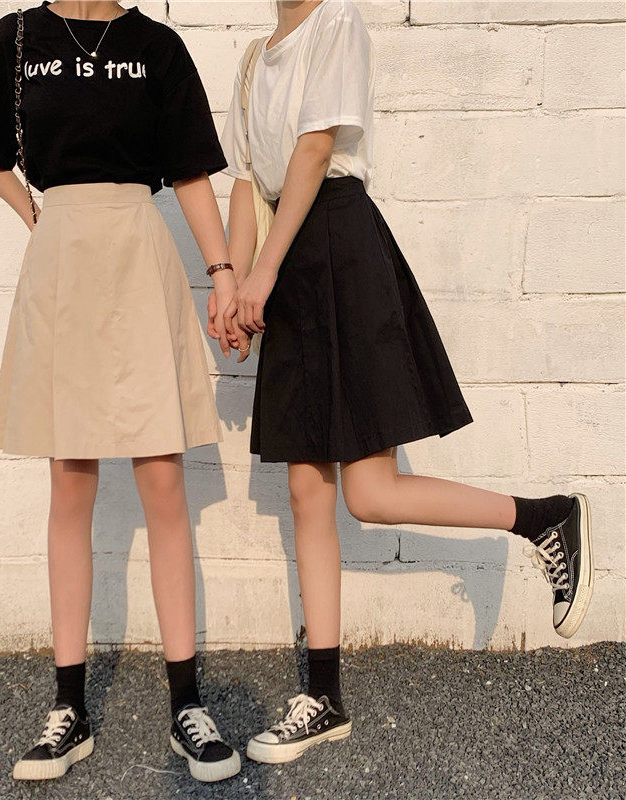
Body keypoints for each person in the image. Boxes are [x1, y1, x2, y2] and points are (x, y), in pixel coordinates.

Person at [215, 0, 594, 764]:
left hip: (338, 244)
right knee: (308, 491)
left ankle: (543, 518)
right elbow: (248, 184)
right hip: (284, 261)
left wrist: (263, 271)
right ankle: (324, 697)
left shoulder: (337, 22)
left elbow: (315, 150)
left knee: (370, 491)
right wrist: (232, 283)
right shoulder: (254, 60)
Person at [0, 0, 241, 782]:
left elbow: (189, 171)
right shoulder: (19, 38)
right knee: (70, 481)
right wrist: (39, 215)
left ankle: (187, 703)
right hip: (63, 259)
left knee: (163, 480)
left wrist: (222, 273)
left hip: (137, 252)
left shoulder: (156, 44)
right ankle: (69, 710)